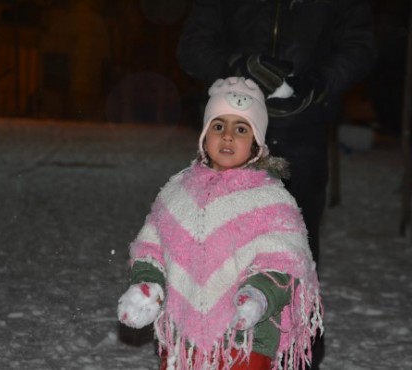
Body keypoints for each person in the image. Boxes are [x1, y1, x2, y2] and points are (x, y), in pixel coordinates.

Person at [117, 77, 323, 370]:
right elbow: (151, 247)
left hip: (246, 339)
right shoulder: (178, 191)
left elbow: (285, 260)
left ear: (256, 142)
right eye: (218, 126)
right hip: (183, 338)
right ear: (204, 135)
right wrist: (147, 284)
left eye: (240, 129)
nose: (227, 136)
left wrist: (259, 295)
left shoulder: (270, 199)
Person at [176, 0, 377, 263]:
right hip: (233, 130)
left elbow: (360, 47)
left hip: (303, 133)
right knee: (223, 244)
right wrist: (234, 67)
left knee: (293, 246)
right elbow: (191, 46)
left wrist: (319, 82)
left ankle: (294, 303)